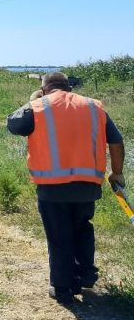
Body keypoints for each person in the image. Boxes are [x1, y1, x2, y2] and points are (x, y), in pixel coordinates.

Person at [7, 71, 125, 304]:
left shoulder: (39, 106)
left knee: (59, 236)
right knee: (82, 228)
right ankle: (85, 274)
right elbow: (116, 140)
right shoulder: (94, 106)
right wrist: (117, 173)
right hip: (87, 185)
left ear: (44, 88)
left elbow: (13, 124)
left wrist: (32, 101)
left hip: (53, 187)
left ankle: (62, 288)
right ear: (68, 87)